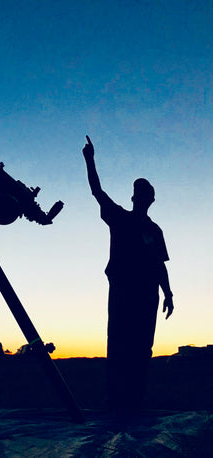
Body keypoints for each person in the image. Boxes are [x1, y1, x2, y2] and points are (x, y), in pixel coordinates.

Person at [82, 135, 174, 413]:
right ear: (134, 197)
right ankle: (115, 400)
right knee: (119, 344)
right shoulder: (119, 218)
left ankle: (135, 400)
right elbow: (97, 191)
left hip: (148, 296)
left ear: (151, 199)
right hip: (123, 292)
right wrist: (90, 160)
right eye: (139, 191)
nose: (142, 195)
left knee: (142, 348)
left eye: (147, 192)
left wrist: (168, 293)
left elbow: (160, 265)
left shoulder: (155, 230)